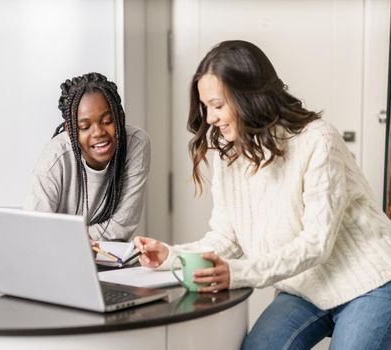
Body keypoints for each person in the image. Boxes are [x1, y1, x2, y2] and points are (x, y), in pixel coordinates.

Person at [135, 40, 391, 349]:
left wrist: (238, 273)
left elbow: (316, 244)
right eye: (205, 107)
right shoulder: (228, 157)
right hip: (307, 288)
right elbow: (225, 238)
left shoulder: (318, 140)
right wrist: (171, 256)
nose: (210, 118)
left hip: (369, 283)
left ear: (249, 96)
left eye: (217, 105)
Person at [25, 72, 150, 242]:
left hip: (109, 258)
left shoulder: (136, 143)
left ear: (121, 117)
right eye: (84, 127)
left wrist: (65, 238)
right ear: (70, 130)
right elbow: (36, 230)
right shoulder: (55, 158)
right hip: (58, 256)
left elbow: (121, 227)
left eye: (107, 121)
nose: (98, 132)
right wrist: (72, 244)